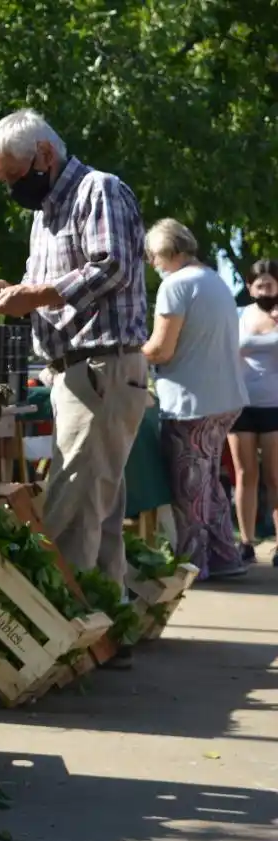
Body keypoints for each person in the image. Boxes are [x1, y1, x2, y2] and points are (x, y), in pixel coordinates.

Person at [0, 109, 148, 669]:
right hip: (77, 372)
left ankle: (60, 640)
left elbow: (113, 266)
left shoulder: (98, 190)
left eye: (14, 176)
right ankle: (106, 630)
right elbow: (48, 285)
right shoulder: (46, 212)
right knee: (100, 507)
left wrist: (36, 295)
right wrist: (15, 290)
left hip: (100, 368)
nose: (12, 190)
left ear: (45, 155)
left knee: (73, 509)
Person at [141, 219, 247, 580]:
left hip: (190, 402)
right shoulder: (214, 280)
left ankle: (192, 566)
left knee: (189, 489)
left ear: (167, 250)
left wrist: (130, 352)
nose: (151, 263)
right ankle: (225, 556)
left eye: (153, 255)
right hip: (225, 398)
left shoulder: (176, 285)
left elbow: (161, 349)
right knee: (208, 483)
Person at [227, 258, 278, 566]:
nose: (264, 291)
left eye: (270, 285)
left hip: (275, 405)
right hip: (242, 404)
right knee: (245, 474)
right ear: (250, 287)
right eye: (259, 286)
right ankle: (246, 542)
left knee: (275, 476)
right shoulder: (238, 315)